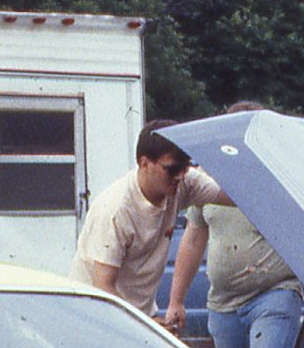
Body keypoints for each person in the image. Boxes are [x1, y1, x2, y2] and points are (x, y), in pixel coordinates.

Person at [163, 102, 304, 348]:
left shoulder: (277, 178)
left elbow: (302, 240)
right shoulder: (207, 178)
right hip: (222, 305)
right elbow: (193, 239)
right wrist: (176, 301)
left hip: (274, 293)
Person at [71, 120, 230, 315]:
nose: (180, 176)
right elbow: (103, 287)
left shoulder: (183, 183)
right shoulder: (115, 209)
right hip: (96, 315)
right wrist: (148, 326)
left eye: (185, 167)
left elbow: (235, 195)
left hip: (139, 313)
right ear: (144, 163)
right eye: (172, 169)